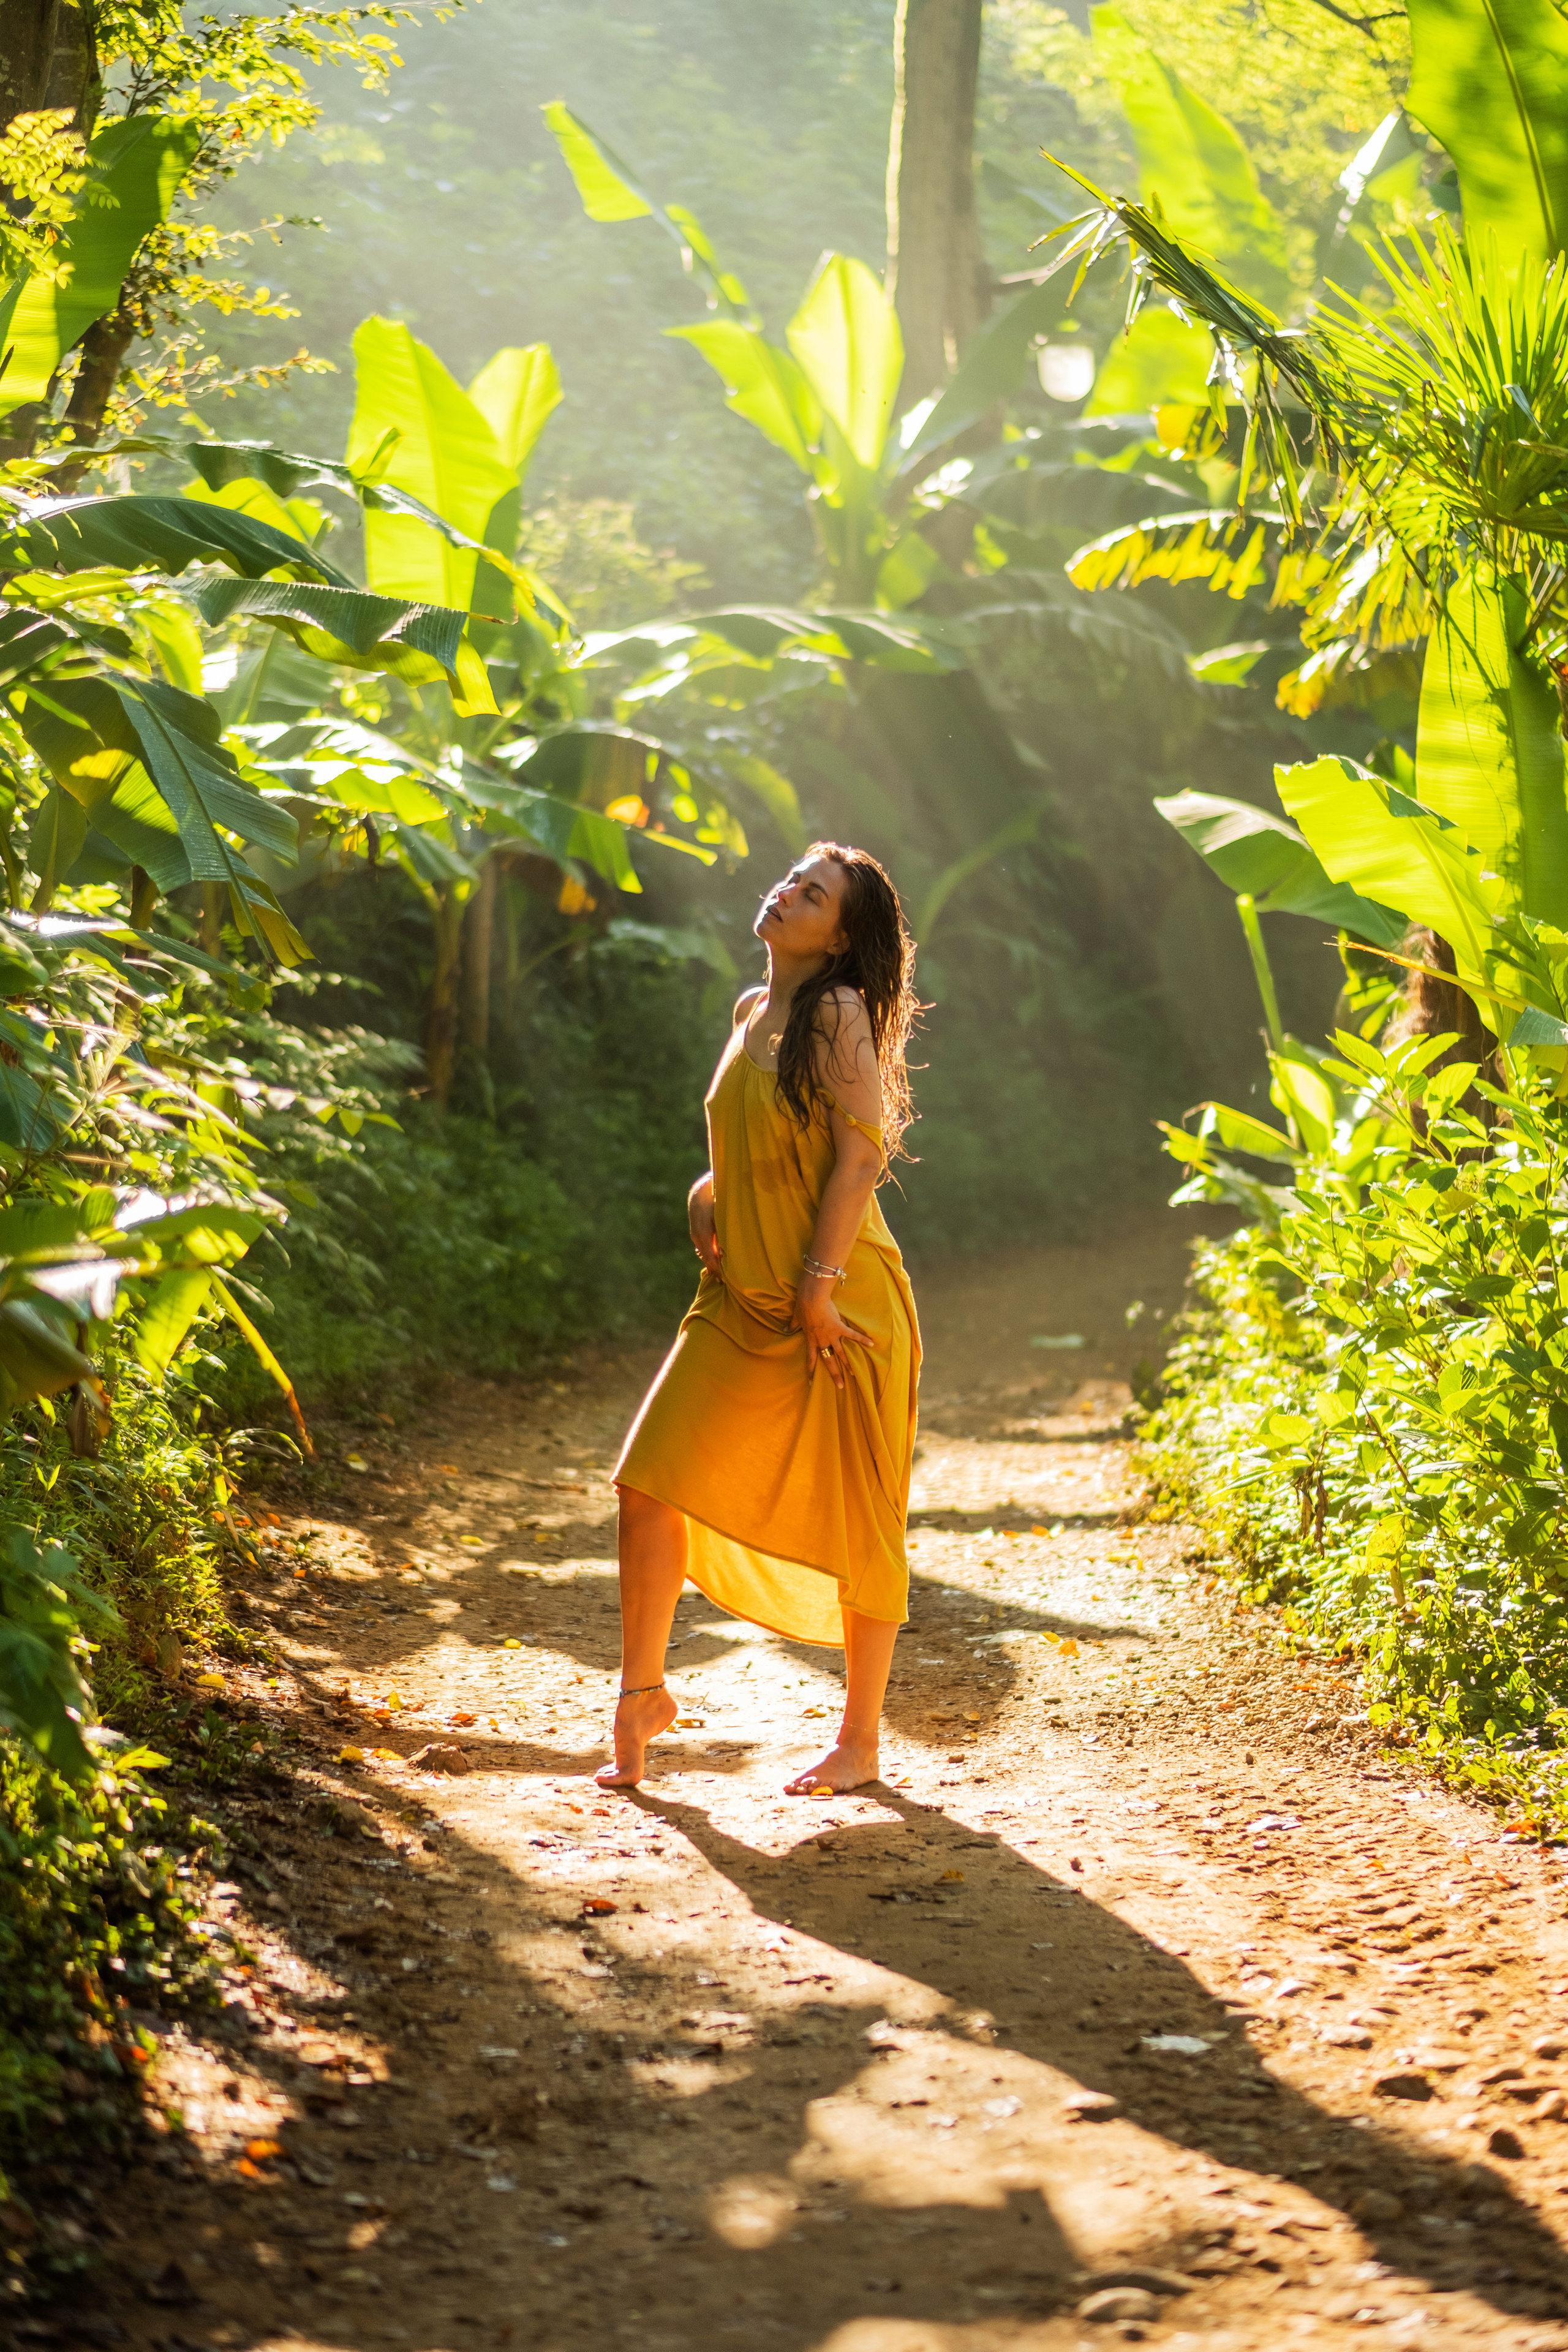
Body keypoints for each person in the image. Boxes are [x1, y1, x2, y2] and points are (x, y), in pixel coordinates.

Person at [597, 841, 922, 1794]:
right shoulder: (753, 1010)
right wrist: (710, 1189)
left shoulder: (837, 1012)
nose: (786, 893)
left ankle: (859, 1742)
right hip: (738, 1298)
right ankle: (644, 1695)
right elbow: (765, 1139)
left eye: (812, 894)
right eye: (790, 879)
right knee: (648, 1481)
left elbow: (858, 1163)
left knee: (864, 1516)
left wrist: (818, 1290)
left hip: (839, 1303)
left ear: (841, 936)